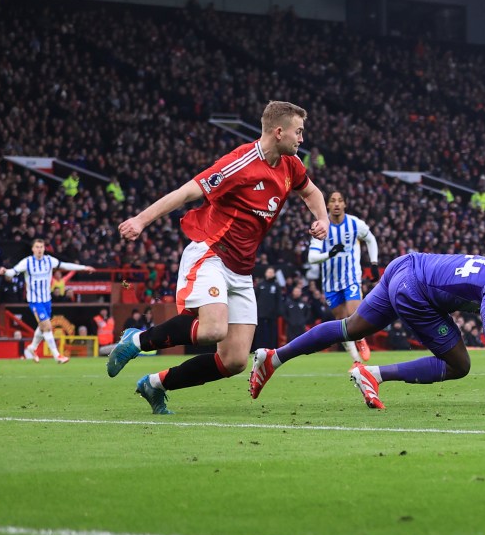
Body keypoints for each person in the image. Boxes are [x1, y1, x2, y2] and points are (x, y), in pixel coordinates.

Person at [108, 100, 329, 414]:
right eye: (299, 132)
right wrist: (142, 220)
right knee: (213, 329)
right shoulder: (239, 163)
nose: (302, 139)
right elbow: (188, 191)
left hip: (241, 268)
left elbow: (312, 193)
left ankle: (155, 384)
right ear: (279, 132)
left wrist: (321, 220)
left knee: (235, 359)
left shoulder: (290, 165)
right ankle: (138, 341)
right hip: (211, 253)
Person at [249, 241, 485, 409]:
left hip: (407, 264)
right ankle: (372, 374)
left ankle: (273, 357)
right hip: (416, 291)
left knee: (350, 328)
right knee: (459, 365)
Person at [306, 190, 379, 363]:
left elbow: (371, 239)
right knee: (341, 321)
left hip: (351, 277)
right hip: (330, 283)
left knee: (354, 314)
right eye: (333, 200)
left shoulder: (355, 224)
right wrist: (330, 254)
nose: (337, 204)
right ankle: (356, 362)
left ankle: (360, 339)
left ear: (345, 204)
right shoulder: (321, 227)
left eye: (340, 200)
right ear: (328, 205)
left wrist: (374, 263)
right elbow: (311, 258)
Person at [0, 238, 96, 364]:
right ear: (33, 249)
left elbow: (65, 265)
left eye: (41, 247)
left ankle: (32, 348)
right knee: (47, 326)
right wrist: (5, 271)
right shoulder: (27, 262)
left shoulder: (49, 261)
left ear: (44, 249)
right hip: (35, 301)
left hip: (47, 300)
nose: (39, 249)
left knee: (43, 326)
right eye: (37, 247)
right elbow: (13, 271)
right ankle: (57, 356)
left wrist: (83, 267)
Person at [254, 267, 283, 350]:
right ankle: (259, 349)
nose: (270, 274)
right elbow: (255, 298)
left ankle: (272, 349)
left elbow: (279, 300)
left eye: (271, 272)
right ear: (266, 273)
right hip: (260, 314)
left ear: (274, 274)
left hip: (272, 315)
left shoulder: (276, 286)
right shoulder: (260, 285)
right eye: (268, 272)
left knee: (272, 332)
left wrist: (279, 312)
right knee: (260, 332)